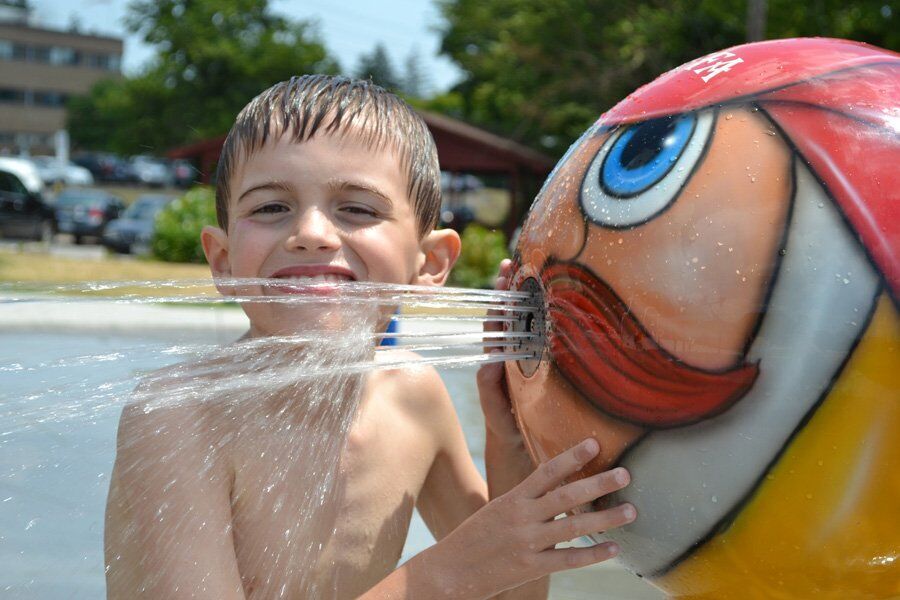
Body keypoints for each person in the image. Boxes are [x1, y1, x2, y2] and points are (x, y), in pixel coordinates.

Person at [104, 75, 636, 599]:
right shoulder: (179, 413)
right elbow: (464, 571)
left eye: (357, 208)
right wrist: (447, 573)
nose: (311, 234)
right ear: (221, 259)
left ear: (429, 264)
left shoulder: (414, 396)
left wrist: (510, 443)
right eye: (271, 207)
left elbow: (510, 595)